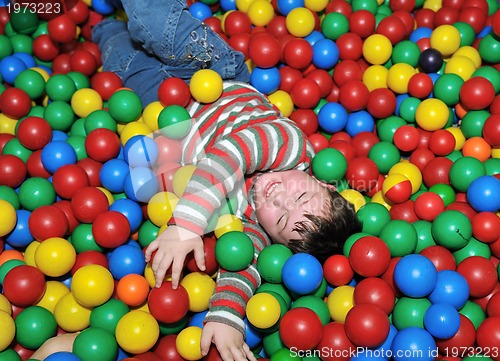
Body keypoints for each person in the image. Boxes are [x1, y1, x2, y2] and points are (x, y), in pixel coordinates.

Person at [29, 1, 361, 360]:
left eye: (280, 218)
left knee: (117, 54)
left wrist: (227, 317)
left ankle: (100, 25)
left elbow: (243, 265)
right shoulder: (291, 148)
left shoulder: (252, 221)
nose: (279, 199)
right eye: (301, 196)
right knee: (156, 22)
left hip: (162, 111)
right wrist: (186, 227)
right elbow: (232, 153)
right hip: (211, 75)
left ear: (273, 237)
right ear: (324, 183)